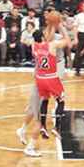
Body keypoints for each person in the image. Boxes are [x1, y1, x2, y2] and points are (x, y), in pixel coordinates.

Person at [25, 25, 71, 157]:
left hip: (40, 79)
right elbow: (67, 41)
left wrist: (49, 28)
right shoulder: (51, 46)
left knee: (45, 100)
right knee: (61, 100)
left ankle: (44, 126)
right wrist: (61, 27)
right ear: (43, 37)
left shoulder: (34, 46)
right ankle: (57, 128)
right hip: (51, 78)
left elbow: (39, 38)